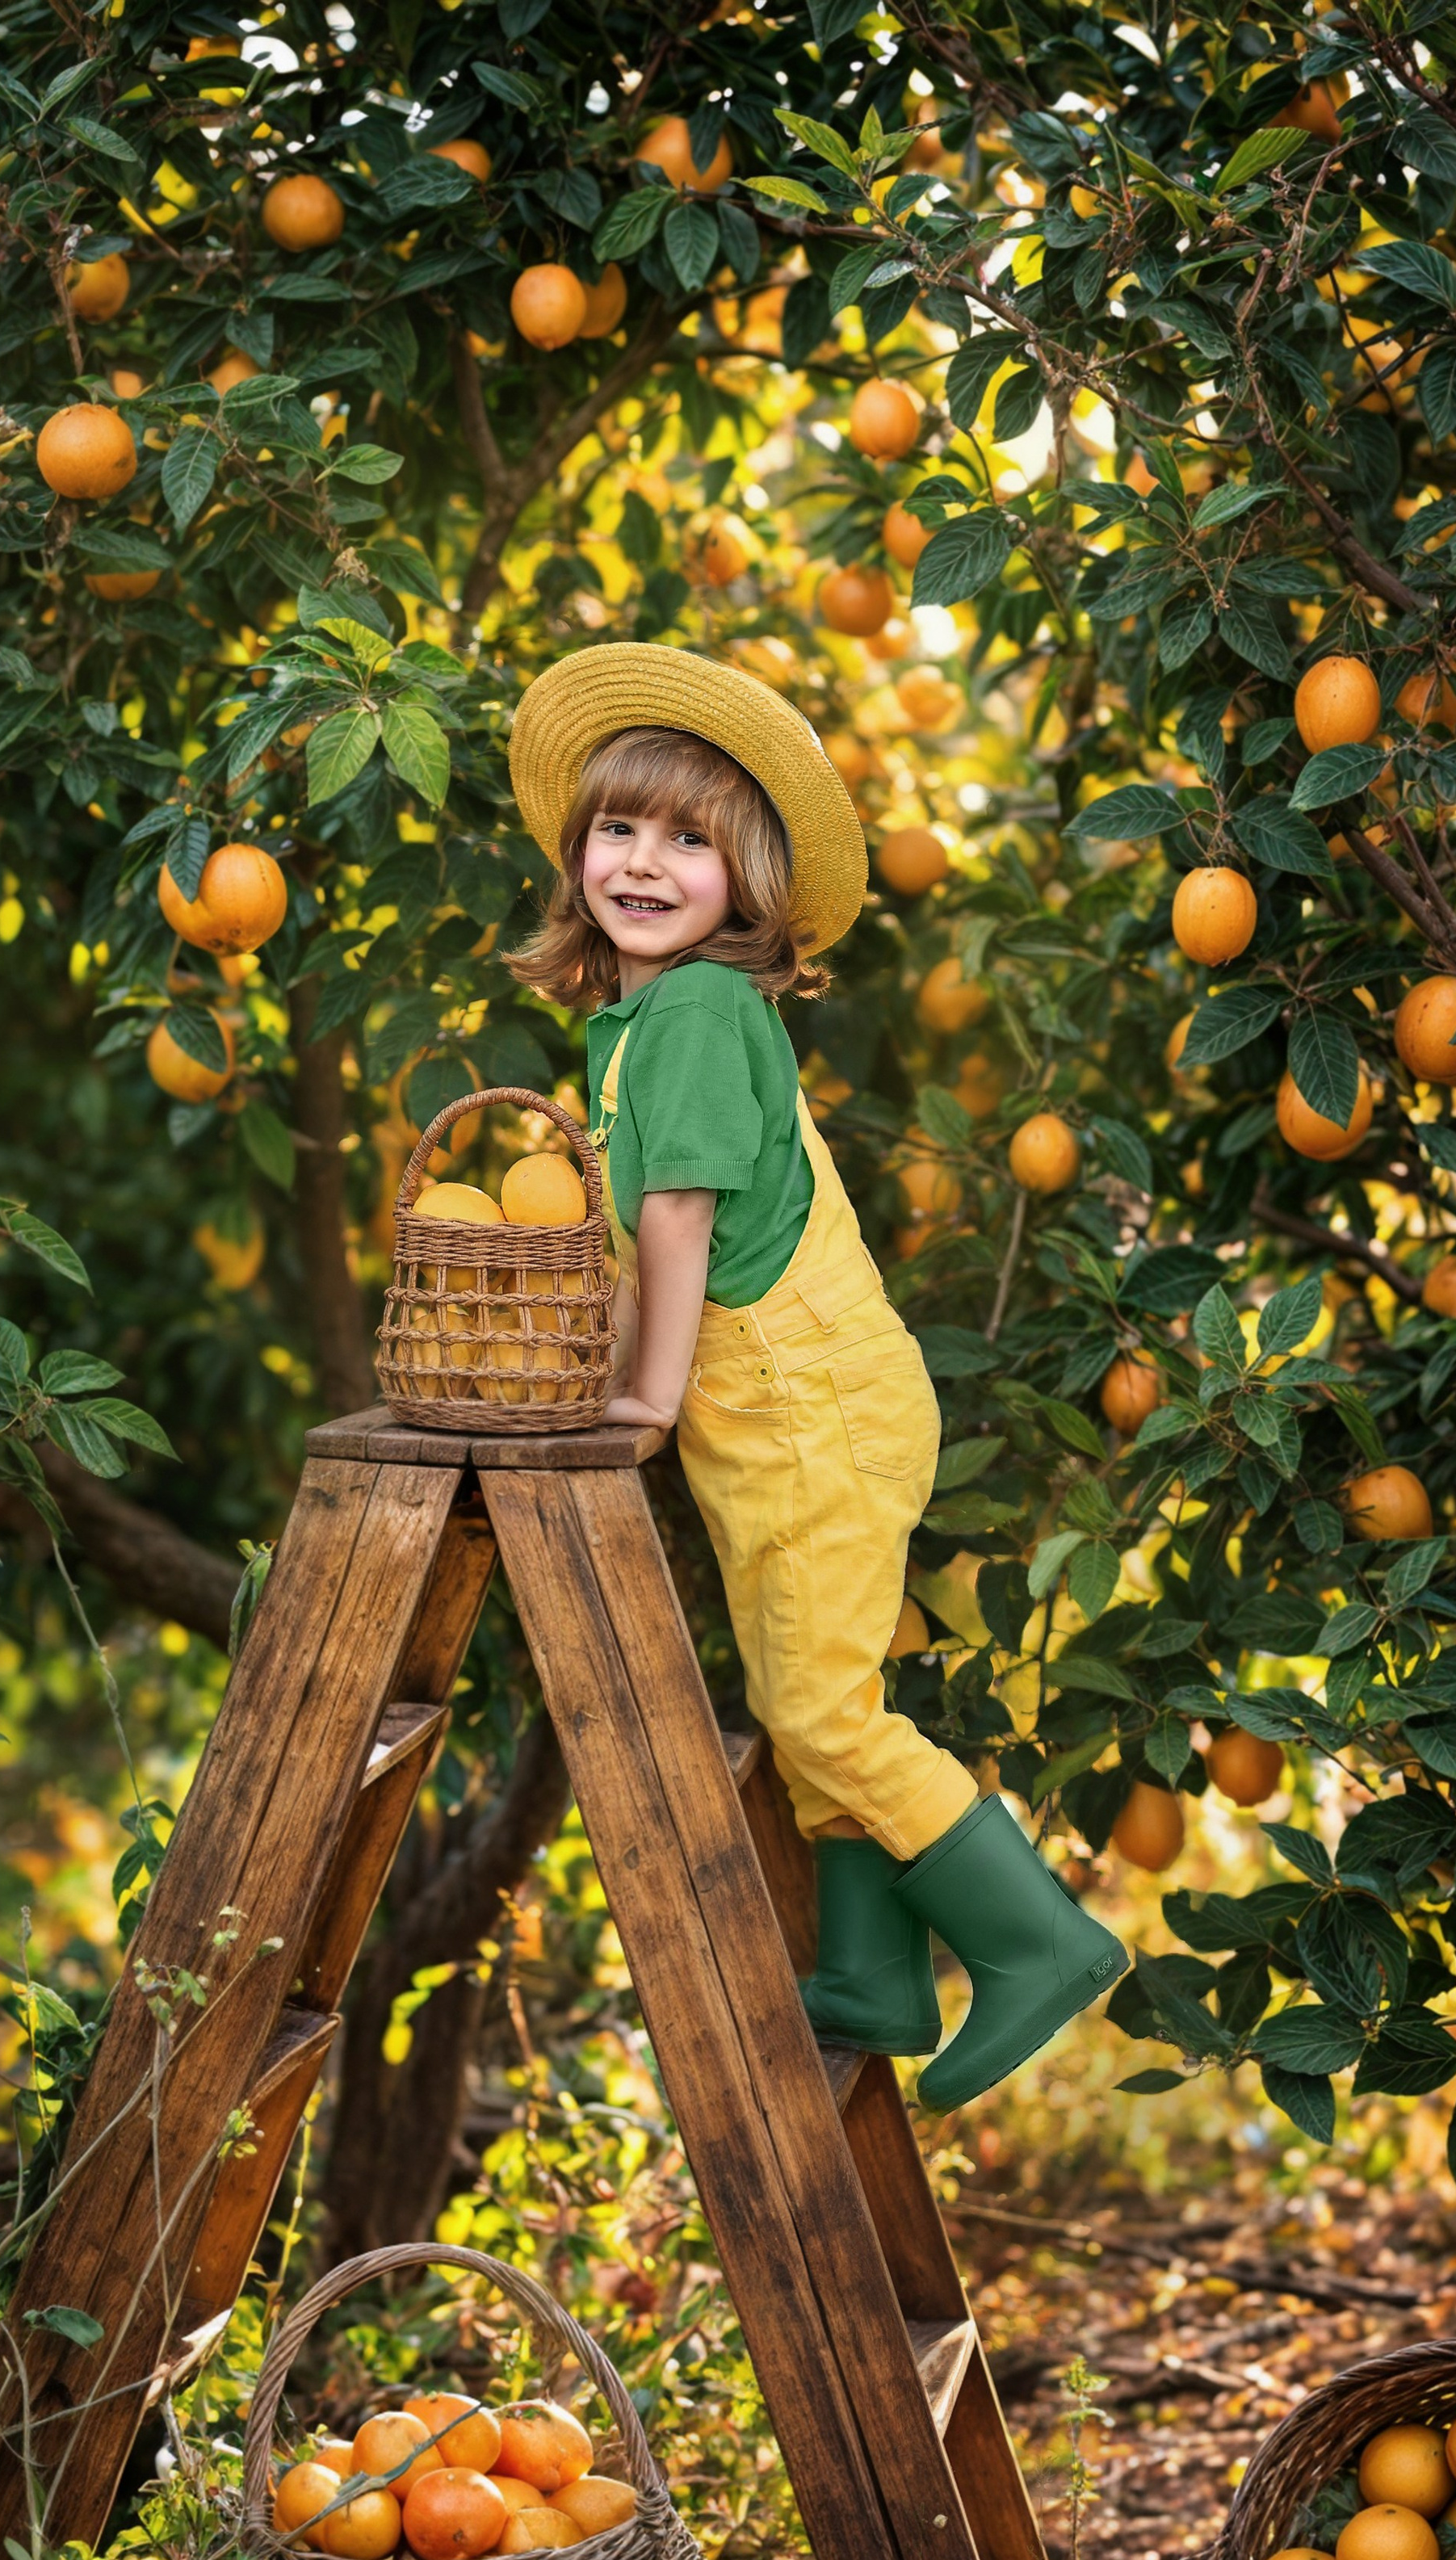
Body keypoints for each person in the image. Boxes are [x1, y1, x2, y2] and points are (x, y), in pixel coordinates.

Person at [506, 643, 1126, 2109]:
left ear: (749, 885)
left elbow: (679, 1218)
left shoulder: (697, 1012)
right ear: (577, 849)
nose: (642, 863)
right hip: (780, 1424)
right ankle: (870, 1971)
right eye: (618, 828)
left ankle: (1039, 1942)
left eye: (689, 841)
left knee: (827, 1711)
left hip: (809, 1414)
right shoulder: (640, 1021)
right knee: (806, 1687)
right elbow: (636, 1231)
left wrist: (643, 1399)